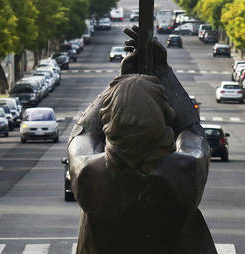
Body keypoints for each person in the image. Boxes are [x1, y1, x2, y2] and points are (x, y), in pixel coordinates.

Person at [68, 26, 216, 254]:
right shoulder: (185, 168)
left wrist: (121, 81)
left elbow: (83, 132)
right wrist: (164, 73)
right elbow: (192, 131)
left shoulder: (89, 171)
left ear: (111, 120)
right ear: (161, 119)